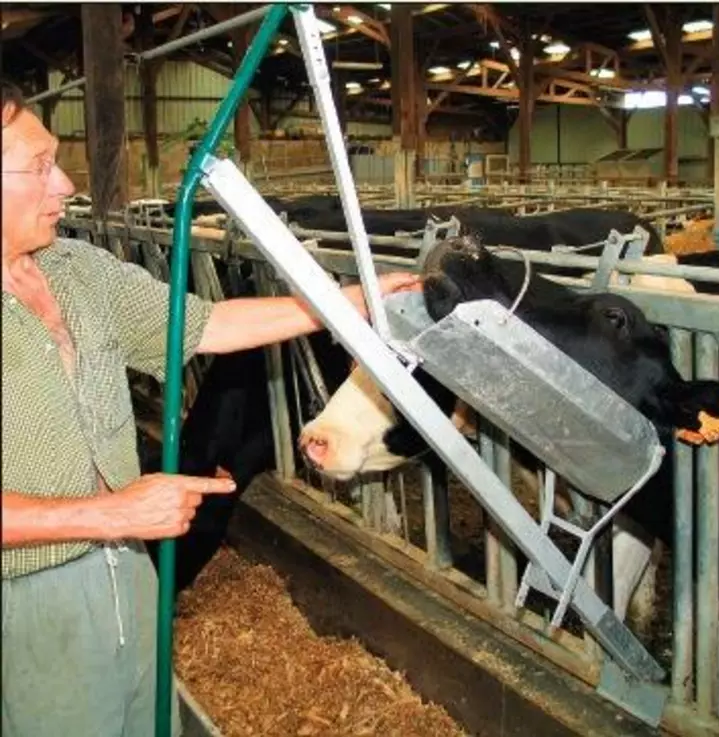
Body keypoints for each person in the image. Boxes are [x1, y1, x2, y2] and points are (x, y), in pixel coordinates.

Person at [0, 79, 420, 737]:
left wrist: (348, 305)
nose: (65, 184)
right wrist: (111, 510)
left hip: (130, 573)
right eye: (39, 166)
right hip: (25, 599)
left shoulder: (78, 269)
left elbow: (206, 323)